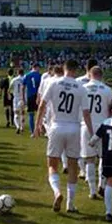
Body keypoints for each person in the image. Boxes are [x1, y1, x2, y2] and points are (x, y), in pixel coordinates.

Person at [34, 59, 93, 213]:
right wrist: (92, 133)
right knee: (73, 166)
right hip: (74, 128)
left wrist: (37, 126)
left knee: (52, 165)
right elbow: (86, 113)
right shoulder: (81, 87)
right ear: (76, 70)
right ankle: (70, 203)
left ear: (64, 68)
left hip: (56, 126)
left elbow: (42, 105)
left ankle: (57, 192)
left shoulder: (53, 83)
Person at [80, 66, 112, 200]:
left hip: (86, 126)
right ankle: (102, 184)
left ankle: (92, 191)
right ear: (101, 75)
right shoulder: (107, 89)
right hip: (103, 126)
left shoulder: (83, 88)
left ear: (90, 74)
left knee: (89, 159)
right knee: (103, 157)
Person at [76, 59, 99, 179]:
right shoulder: (100, 83)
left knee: (81, 145)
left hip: (80, 118)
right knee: (97, 149)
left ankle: (83, 170)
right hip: (97, 118)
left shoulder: (78, 81)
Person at [22, 64, 42, 135]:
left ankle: (32, 131)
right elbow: (41, 87)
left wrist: (23, 98)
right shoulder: (40, 75)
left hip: (29, 96)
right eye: (39, 68)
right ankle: (39, 130)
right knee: (40, 113)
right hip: (37, 96)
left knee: (31, 114)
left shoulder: (26, 75)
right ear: (36, 67)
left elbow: (23, 87)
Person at [9, 68, 25, 134]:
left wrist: (9, 94)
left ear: (18, 73)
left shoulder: (14, 79)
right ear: (23, 73)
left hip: (16, 98)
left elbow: (9, 88)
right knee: (22, 113)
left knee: (16, 113)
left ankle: (18, 126)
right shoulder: (25, 78)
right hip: (23, 98)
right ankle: (22, 127)